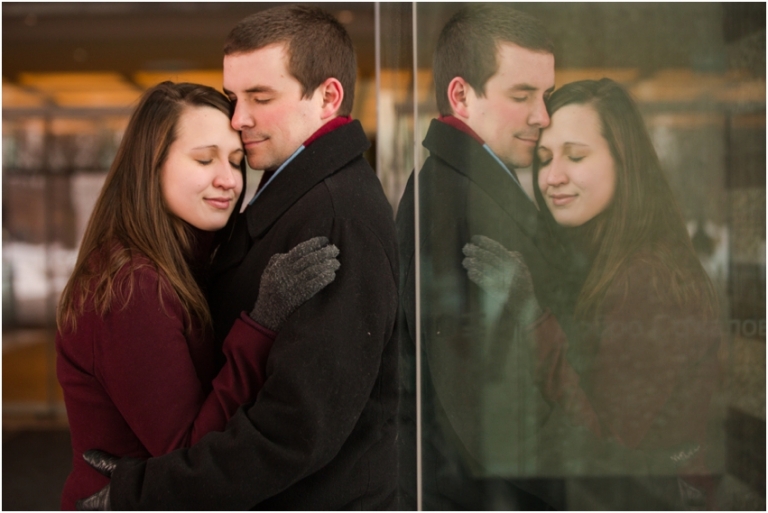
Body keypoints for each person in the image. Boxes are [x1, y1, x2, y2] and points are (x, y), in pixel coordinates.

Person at [78, 5, 400, 510]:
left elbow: (293, 430)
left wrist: (144, 488)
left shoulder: (336, 215)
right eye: (234, 97)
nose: (239, 117)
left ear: (327, 97)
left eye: (260, 97)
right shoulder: (293, 195)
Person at [55, 82, 340, 510]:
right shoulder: (132, 285)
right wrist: (264, 322)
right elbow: (190, 452)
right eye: (204, 159)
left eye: (237, 161)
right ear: (151, 165)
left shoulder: (184, 262)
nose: (228, 179)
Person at [463, 78, 721, 509]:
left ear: (626, 161)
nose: (553, 177)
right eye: (544, 159)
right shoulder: (599, 254)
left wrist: (530, 314)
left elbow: (607, 439)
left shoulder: (647, 278)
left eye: (576, 156)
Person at [396, 4, 585, 510]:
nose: (542, 116)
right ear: (461, 95)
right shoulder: (449, 193)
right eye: (522, 95)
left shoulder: (473, 182)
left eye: (544, 96)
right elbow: (466, 399)